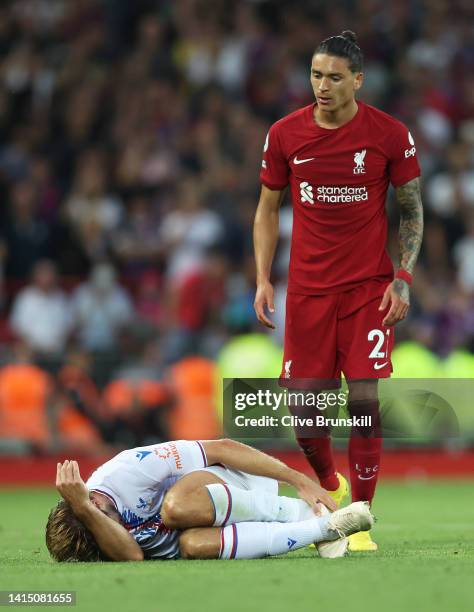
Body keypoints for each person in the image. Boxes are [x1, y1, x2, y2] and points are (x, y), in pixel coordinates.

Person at [253, 31, 423, 552]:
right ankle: (332, 487)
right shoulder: (285, 134)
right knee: (306, 410)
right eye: (314, 75)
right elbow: (267, 209)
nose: (321, 86)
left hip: (367, 290)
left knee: (366, 400)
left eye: (332, 77)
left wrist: (403, 276)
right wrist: (262, 276)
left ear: (357, 80)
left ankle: (362, 516)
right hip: (307, 290)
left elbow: (411, 210)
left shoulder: (389, 134)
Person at [45, 438, 373, 562]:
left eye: (97, 519)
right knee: (191, 546)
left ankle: (296, 509)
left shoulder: (127, 470)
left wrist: (298, 479)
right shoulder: (103, 535)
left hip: (241, 482)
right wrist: (87, 512)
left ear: (94, 502)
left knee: (174, 509)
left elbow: (221, 448)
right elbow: (131, 555)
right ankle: (326, 529)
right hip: (227, 525)